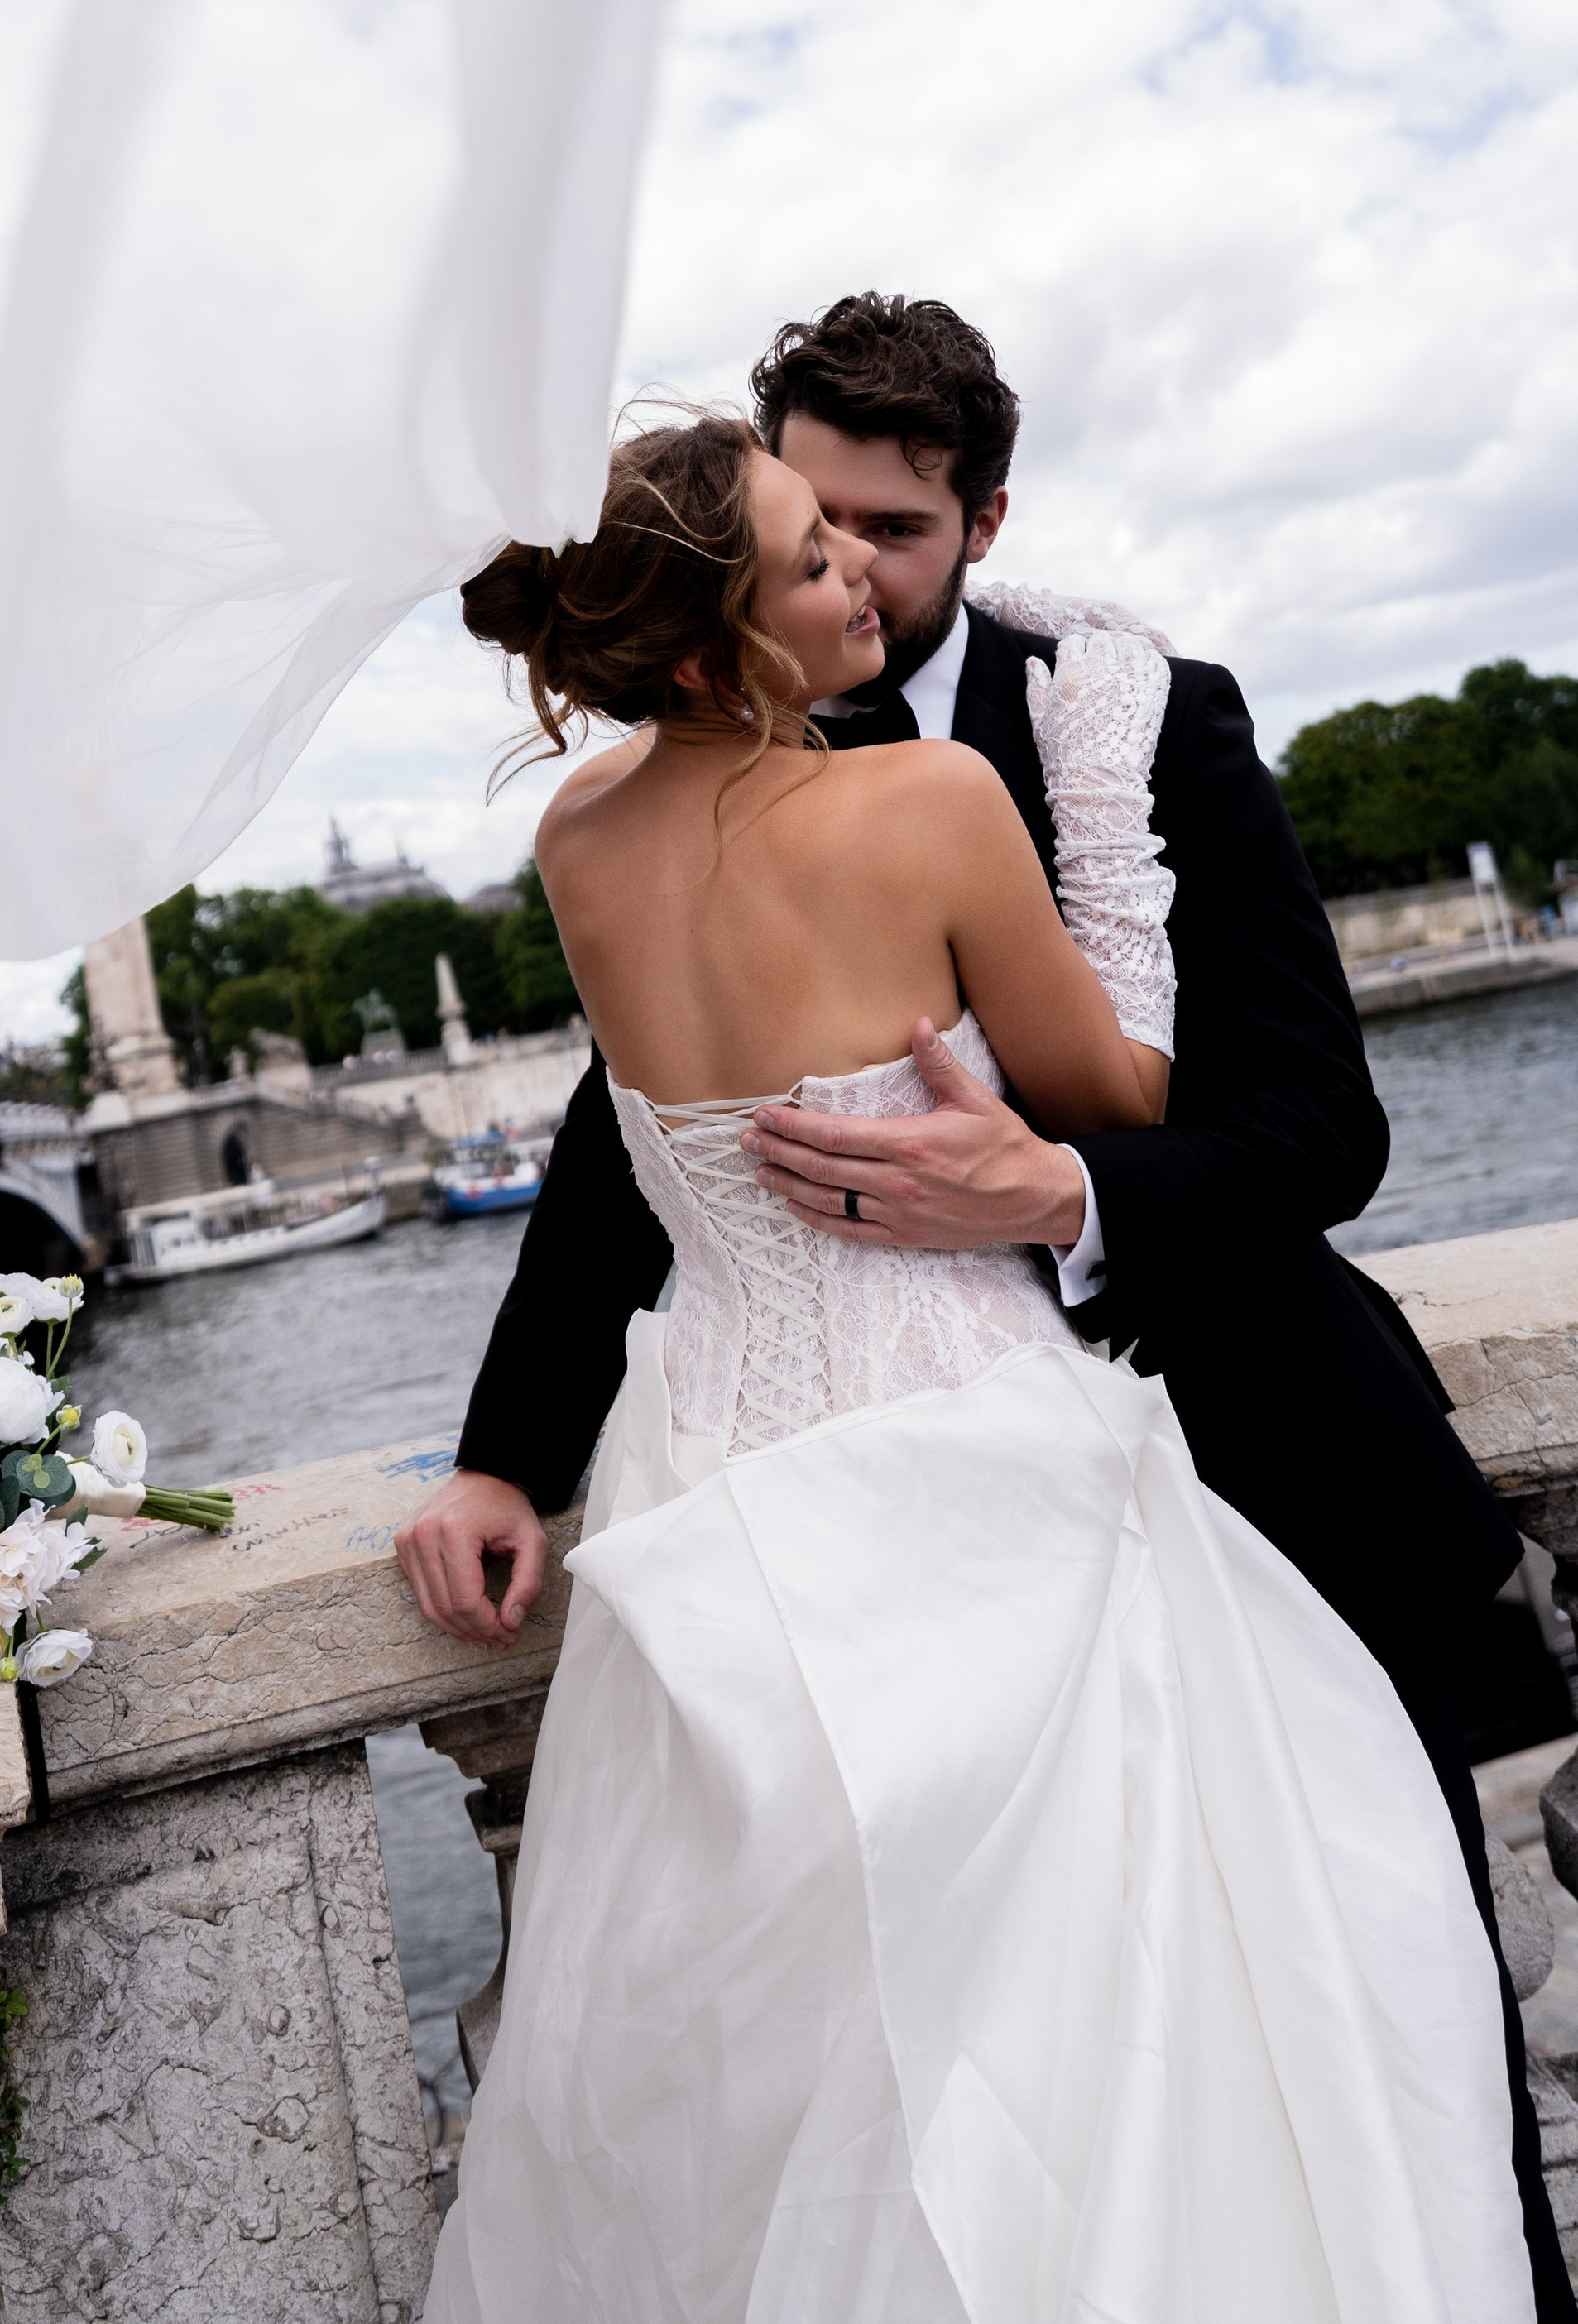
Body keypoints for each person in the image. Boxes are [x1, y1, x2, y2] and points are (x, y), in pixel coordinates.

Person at [402, 295, 1568, 2315]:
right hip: (888, 1530)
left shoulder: (1141, 707)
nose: (855, 562)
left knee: (1378, 2022)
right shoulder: (795, 785)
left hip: (1243, 1448)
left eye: (892, 528)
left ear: (985, 514)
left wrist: (1065, 1189)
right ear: (725, 588)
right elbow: (621, 1161)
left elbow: (1320, 1127)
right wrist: (504, 1449)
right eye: (810, 522)